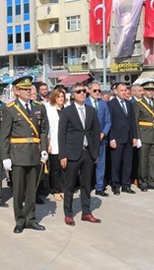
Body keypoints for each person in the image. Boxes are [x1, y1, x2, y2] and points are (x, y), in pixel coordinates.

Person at [0, 76, 49, 234]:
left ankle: (31, 218)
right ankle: (19, 220)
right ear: (16, 91)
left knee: (31, 189)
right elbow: (4, 135)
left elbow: (43, 130)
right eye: (24, 89)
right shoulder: (10, 109)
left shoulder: (39, 107)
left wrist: (43, 148)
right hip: (18, 154)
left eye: (29, 89)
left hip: (34, 153)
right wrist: (5, 157)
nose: (28, 91)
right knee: (19, 190)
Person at [58, 83, 101, 226]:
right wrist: (62, 155)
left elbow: (96, 131)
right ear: (73, 95)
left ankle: (86, 212)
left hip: (87, 153)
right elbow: (61, 134)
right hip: (71, 153)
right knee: (69, 185)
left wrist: (95, 153)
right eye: (79, 91)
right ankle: (68, 213)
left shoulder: (91, 110)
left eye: (84, 91)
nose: (82, 93)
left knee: (86, 184)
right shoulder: (67, 111)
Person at [107, 82, 138, 195]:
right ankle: (116, 185)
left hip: (128, 137)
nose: (124, 92)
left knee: (127, 163)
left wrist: (135, 136)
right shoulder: (111, 104)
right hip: (117, 138)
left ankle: (126, 185)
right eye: (122, 90)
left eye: (125, 90)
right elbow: (109, 122)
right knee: (116, 163)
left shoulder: (129, 104)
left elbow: (132, 121)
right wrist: (111, 138)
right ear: (116, 92)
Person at [133, 81, 154, 191]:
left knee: (153, 159)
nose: (151, 92)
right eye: (148, 90)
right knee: (143, 160)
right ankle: (143, 182)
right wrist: (137, 137)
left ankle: (152, 180)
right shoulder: (138, 104)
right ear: (143, 91)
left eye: (152, 90)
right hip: (144, 134)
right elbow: (135, 121)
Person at [85, 81, 111, 197]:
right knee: (88, 164)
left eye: (99, 90)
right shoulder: (85, 103)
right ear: (89, 90)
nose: (97, 93)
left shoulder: (103, 104)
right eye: (95, 90)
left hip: (101, 139)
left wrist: (103, 133)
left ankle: (99, 187)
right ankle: (87, 186)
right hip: (88, 140)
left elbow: (108, 121)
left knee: (101, 163)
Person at [45, 87, 66, 201]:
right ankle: (55, 190)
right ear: (54, 98)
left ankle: (63, 189)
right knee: (55, 168)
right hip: (54, 142)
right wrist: (48, 143)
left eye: (62, 96)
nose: (61, 99)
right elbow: (48, 128)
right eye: (59, 96)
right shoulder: (50, 110)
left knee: (65, 168)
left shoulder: (66, 109)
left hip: (66, 143)